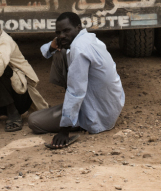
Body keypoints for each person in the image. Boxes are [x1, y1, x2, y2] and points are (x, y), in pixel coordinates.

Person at [27, 12, 125, 149]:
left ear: (78, 27)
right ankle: (70, 111)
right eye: (58, 32)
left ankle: (74, 119)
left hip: (97, 115)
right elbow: (45, 50)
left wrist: (64, 130)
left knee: (34, 121)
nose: (61, 35)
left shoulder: (78, 49)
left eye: (66, 30)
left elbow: (76, 91)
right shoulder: (89, 38)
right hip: (111, 106)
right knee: (60, 52)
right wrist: (53, 45)